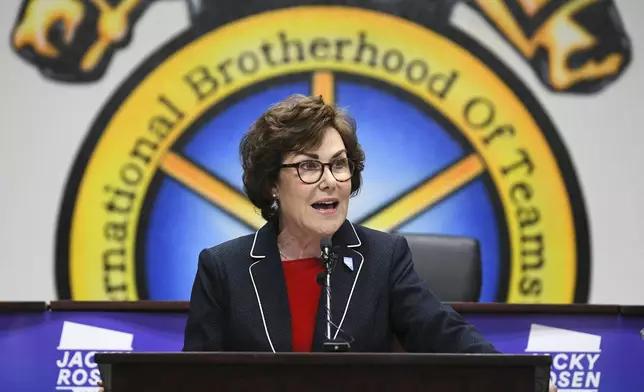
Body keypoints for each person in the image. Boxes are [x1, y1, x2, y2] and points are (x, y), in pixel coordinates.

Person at [99, 94, 555, 391]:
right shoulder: (225, 268)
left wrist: (521, 379)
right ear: (273, 185)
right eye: (308, 167)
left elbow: (447, 336)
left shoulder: (383, 258)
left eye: (339, 165)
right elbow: (192, 379)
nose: (331, 182)